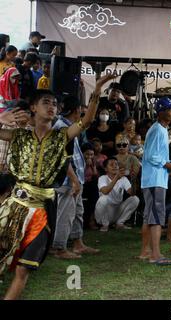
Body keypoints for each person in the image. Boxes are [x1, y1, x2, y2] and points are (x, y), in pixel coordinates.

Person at [0, 73, 114, 299]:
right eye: (46, 102)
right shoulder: (18, 136)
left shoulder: (61, 136)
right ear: (33, 107)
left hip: (42, 210)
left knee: (24, 268)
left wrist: (97, 90)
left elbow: (86, 122)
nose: (52, 106)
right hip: (13, 207)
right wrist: (1, 117)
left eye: (55, 104)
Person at [51, 95, 99, 259]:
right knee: (66, 213)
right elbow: (62, 159)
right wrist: (73, 180)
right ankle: (59, 248)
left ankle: (78, 244)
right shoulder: (62, 128)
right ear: (76, 110)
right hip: (67, 180)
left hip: (75, 179)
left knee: (78, 211)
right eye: (81, 109)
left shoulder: (67, 125)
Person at [139, 97, 171, 264]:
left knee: (149, 217)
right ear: (161, 112)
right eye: (170, 109)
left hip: (154, 178)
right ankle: (155, 255)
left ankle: (145, 252)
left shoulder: (160, 129)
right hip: (154, 179)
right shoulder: (157, 130)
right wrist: (167, 165)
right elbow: (150, 155)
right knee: (156, 217)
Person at [95, 157, 139, 232]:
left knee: (135, 199)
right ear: (106, 169)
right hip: (104, 213)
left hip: (117, 211)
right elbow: (105, 191)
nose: (115, 166)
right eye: (111, 165)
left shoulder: (123, 179)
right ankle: (104, 225)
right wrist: (116, 178)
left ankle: (120, 223)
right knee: (103, 199)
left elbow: (132, 193)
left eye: (116, 164)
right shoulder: (102, 178)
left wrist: (134, 179)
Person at [81, 142, 99, 230]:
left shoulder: (93, 161)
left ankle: (92, 220)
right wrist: (85, 165)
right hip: (80, 183)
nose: (89, 156)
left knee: (94, 191)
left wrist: (91, 165)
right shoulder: (79, 161)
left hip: (90, 184)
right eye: (87, 154)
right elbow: (80, 175)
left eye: (91, 154)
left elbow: (95, 174)